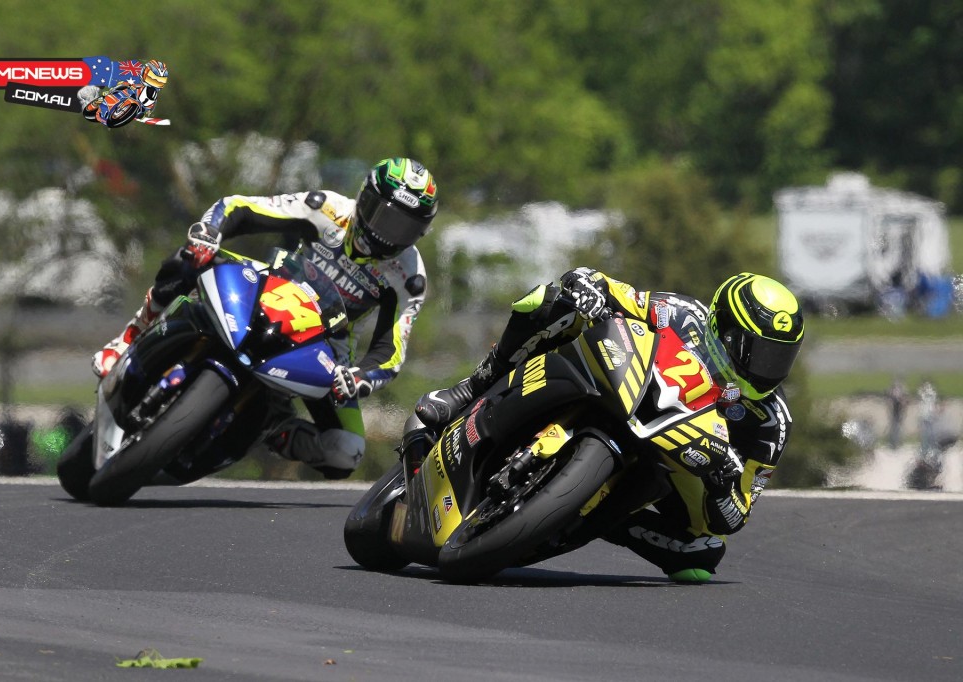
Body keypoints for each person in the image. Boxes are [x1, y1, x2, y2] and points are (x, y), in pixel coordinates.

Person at [415, 268, 804, 582]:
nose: (767, 370)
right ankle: (472, 387)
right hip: (627, 385)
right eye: (760, 353)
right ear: (725, 328)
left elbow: (735, 515)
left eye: (779, 359)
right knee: (549, 302)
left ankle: (594, 512)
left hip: (675, 460)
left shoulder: (770, 422)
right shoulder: (685, 315)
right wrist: (589, 287)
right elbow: (616, 291)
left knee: (702, 553)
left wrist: (722, 478)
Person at [92, 157, 438, 478]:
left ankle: (273, 427)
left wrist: (359, 377)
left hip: (327, 344)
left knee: (346, 451)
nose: (388, 234)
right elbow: (240, 207)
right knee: (188, 258)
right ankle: (130, 336)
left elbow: (392, 349)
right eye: (384, 217)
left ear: (420, 233)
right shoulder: (327, 208)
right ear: (364, 199)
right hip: (267, 284)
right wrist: (210, 233)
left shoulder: (409, 276)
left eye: (404, 228)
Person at [79, 60, 168, 128]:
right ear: (145, 74)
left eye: (159, 81)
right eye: (153, 79)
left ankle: (114, 110)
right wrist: (126, 85)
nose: (155, 83)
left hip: (132, 108)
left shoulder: (153, 99)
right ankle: (103, 100)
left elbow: (150, 109)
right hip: (123, 96)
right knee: (120, 88)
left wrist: (146, 114)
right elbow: (126, 84)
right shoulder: (138, 83)